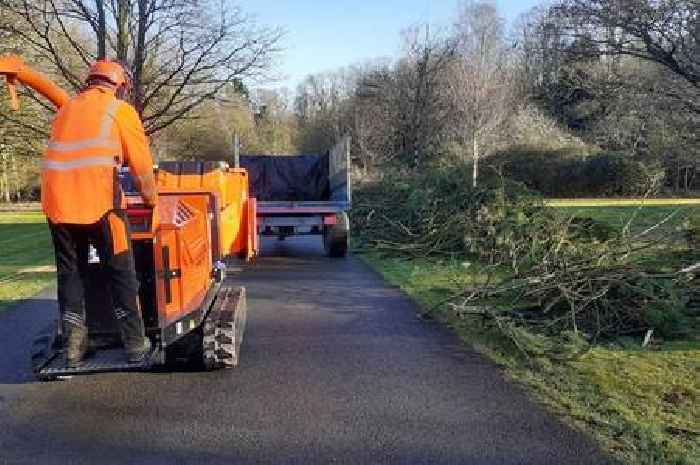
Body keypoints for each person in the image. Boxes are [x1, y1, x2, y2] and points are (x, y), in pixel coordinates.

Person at [42, 59, 157, 367]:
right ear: (120, 85)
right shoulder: (120, 111)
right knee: (120, 270)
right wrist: (151, 199)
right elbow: (142, 165)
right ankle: (135, 345)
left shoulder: (66, 110)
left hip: (57, 205)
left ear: (90, 80)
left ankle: (73, 348)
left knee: (71, 274)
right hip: (101, 204)